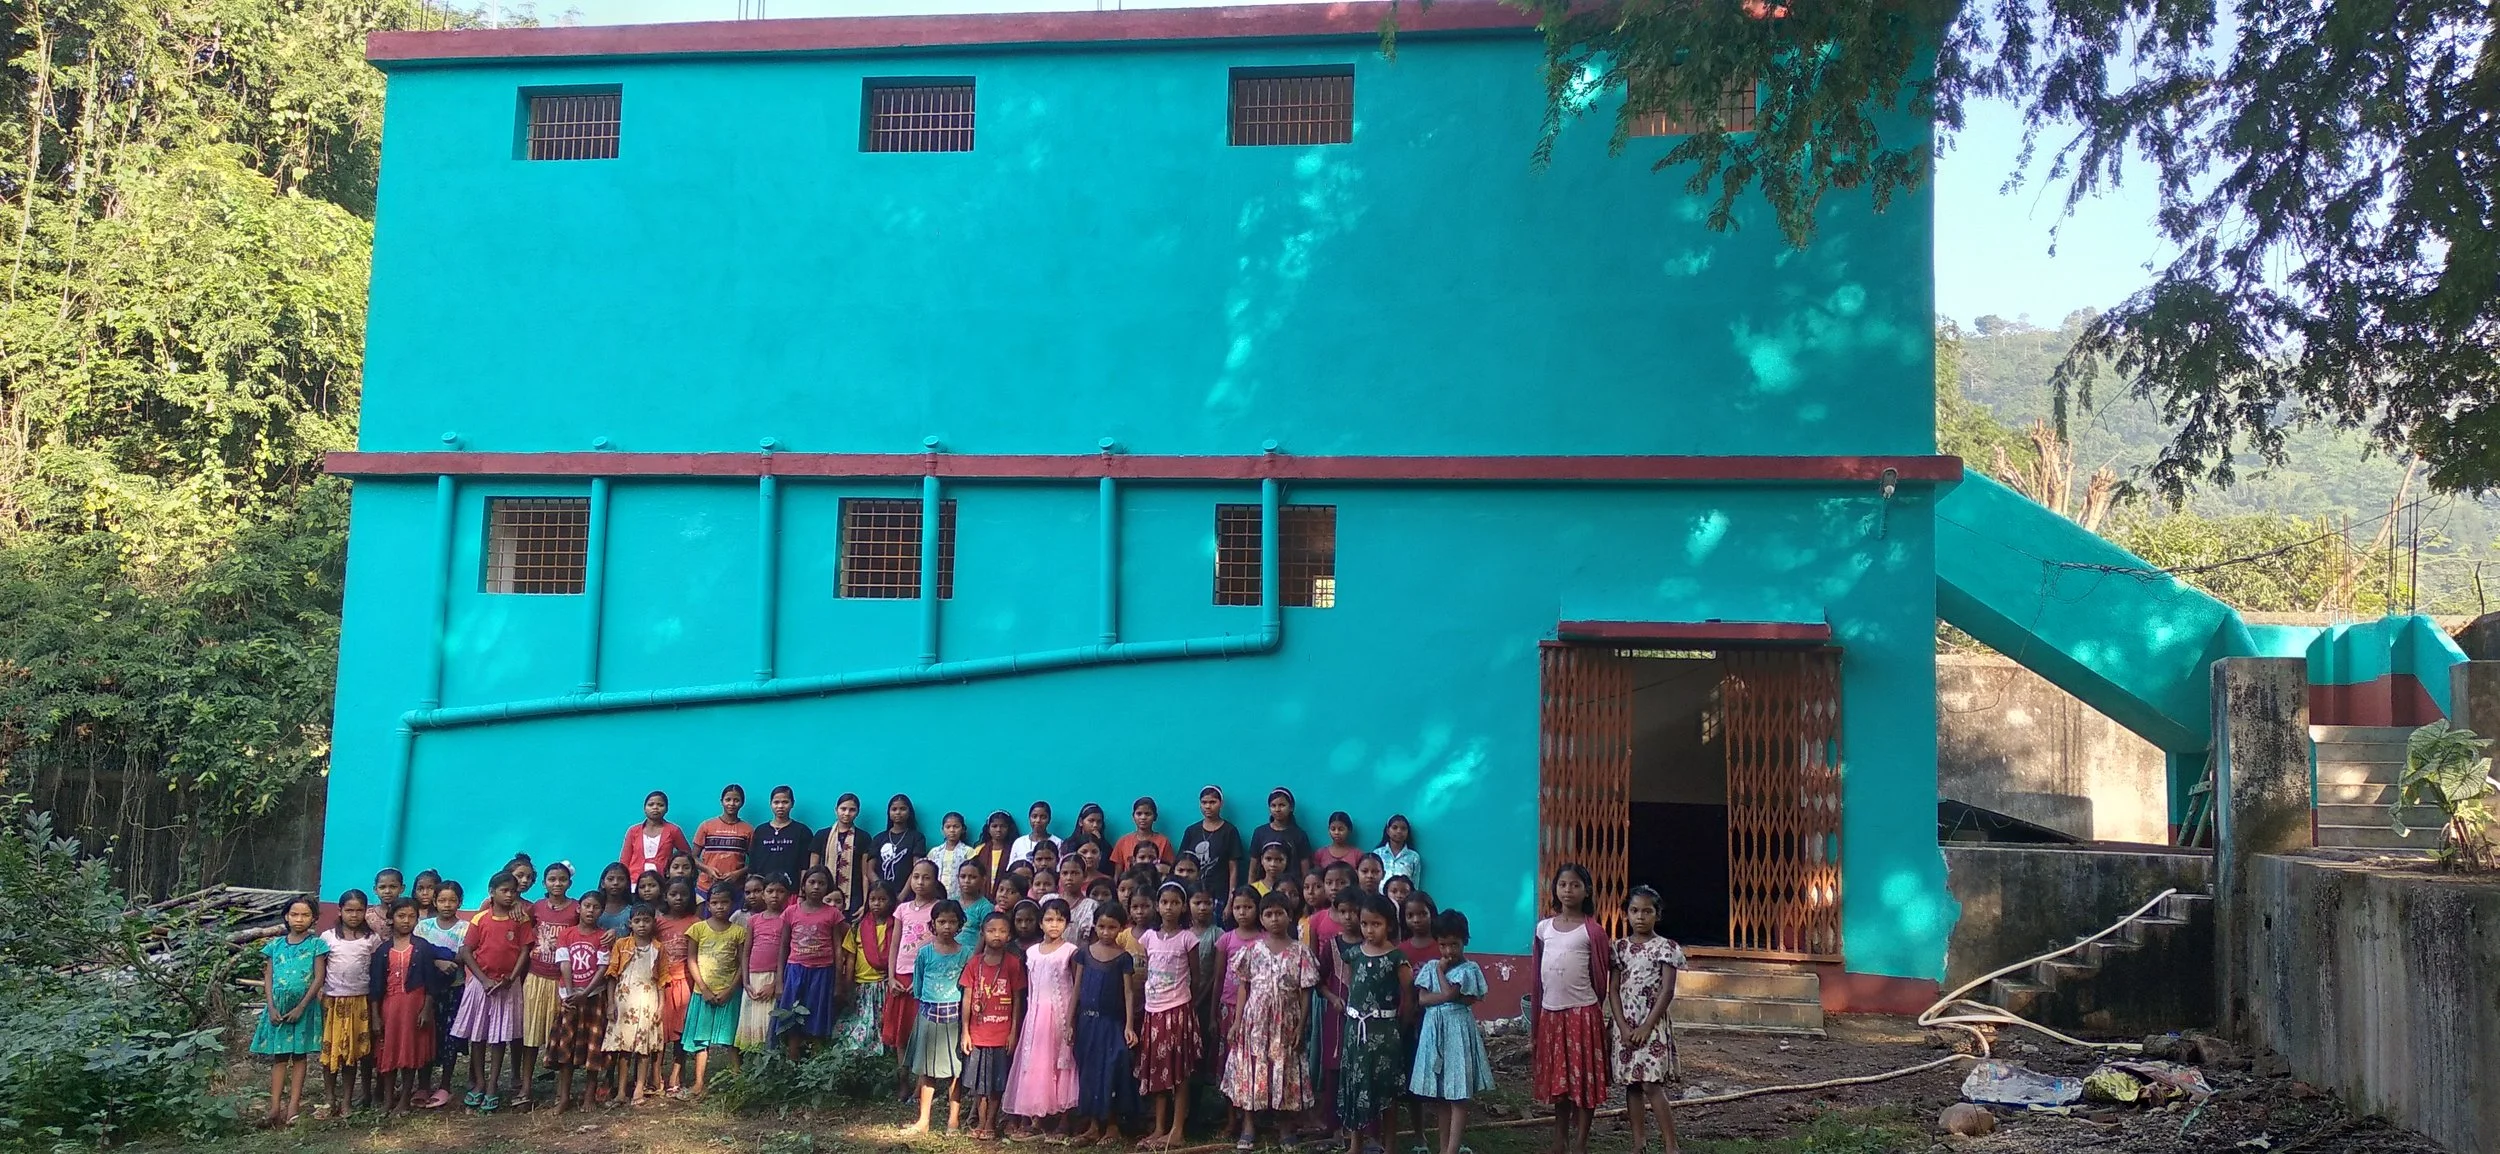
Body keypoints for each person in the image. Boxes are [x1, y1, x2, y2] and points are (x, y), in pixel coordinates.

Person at [1222, 890, 1319, 1149]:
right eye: (1268, 914)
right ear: (1261, 919)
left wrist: (1301, 1025)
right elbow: (1244, 987)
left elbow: (1306, 993)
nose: (1274, 919)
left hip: (1286, 1022)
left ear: (1290, 916)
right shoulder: (1252, 950)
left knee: (1285, 1068)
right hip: (1255, 1022)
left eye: (1280, 913)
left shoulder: (1301, 952)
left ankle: (1285, 1126)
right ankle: (1249, 1124)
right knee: (1252, 1068)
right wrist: (1237, 1021)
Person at [1532, 863, 1611, 1154]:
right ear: (1555, 889)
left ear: (1586, 890)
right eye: (1563, 884)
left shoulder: (1593, 932)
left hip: (1582, 1014)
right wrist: (1537, 1022)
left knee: (1584, 1082)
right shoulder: (1543, 929)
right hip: (1551, 1015)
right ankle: (1559, 1139)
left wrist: (1593, 1011)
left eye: (1575, 885)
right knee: (1560, 1083)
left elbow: (1600, 977)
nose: (1568, 890)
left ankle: (1580, 1142)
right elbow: (1537, 979)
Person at [1335, 893, 1413, 1154]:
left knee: (1386, 1092)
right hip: (1355, 1032)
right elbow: (1350, 986)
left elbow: (1409, 998)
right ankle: (1355, 1145)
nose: (1369, 930)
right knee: (1355, 1086)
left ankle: (1389, 1147)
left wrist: (1399, 1029)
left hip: (1384, 1033)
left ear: (1389, 925)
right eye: (1365, 924)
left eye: (1376, 924)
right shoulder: (1353, 954)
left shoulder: (1397, 959)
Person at [1409, 910, 1492, 1154]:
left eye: (1454, 945)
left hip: (1458, 1032)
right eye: (1443, 945)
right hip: (1435, 1033)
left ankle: (1452, 1149)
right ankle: (1444, 1147)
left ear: (1465, 941)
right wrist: (1439, 983)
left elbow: (1452, 995)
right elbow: (1422, 999)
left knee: (1459, 1093)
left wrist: (1439, 975)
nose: (1448, 951)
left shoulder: (1469, 970)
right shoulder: (1432, 966)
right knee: (1442, 1093)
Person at [1612, 886, 1688, 1154]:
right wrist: (1621, 1026)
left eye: (1647, 911)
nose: (1640, 917)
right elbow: (1613, 990)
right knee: (1632, 1084)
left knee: (1650, 1083)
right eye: (1634, 911)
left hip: (1651, 1025)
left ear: (1658, 914)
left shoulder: (1666, 948)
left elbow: (1667, 991)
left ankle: (1671, 1145)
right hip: (1625, 1025)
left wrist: (1646, 1026)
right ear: (1626, 914)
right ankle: (1638, 1143)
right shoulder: (1619, 948)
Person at [453, 870, 533, 1112]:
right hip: (482, 986)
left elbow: (524, 951)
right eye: (504, 891)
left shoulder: (521, 920)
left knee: (499, 1038)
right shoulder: (480, 920)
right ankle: (479, 1082)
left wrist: (511, 977)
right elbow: (467, 951)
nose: (509, 896)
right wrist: (484, 979)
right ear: (491, 893)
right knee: (478, 1037)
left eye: (513, 891)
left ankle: (493, 1086)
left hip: (507, 987)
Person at [1004, 899, 1081, 1135]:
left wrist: (1070, 1019)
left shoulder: (1071, 951)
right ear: (1041, 923)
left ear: (1067, 923)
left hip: (1060, 1013)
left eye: (1060, 920)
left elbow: (1077, 986)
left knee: (1063, 1061)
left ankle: (1064, 1119)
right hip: (1037, 1014)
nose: (1054, 925)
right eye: (1049, 919)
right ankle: (1035, 1117)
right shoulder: (1031, 952)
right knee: (1036, 1062)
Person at [1135, 881, 1202, 1149]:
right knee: (1157, 1072)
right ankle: (1159, 1127)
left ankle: (1177, 1129)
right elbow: (1145, 973)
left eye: (1175, 902)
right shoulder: (1148, 938)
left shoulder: (1188, 939)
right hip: (1154, 1012)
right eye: (1164, 902)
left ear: (1183, 906)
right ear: (1157, 906)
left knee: (1180, 1072)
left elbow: (1196, 978)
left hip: (1178, 1011)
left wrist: (1187, 1009)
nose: (1169, 907)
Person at [253, 895, 330, 1127]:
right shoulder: (274, 946)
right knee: (279, 1057)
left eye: (305, 915)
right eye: (294, 914)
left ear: (314, 918)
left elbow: (319, 978)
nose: (299, 919)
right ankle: (274, 1108)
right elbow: (267, 978)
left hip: (304, 1009)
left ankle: (293, 1107)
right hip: (277, 1008)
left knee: (299, 1056)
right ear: (286, 916)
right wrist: (271, 1006)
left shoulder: (317, 944)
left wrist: (301, 1006)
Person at [1070, 903, 1138, 1146]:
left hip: (1112, 1023)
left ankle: (1112, 1125)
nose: (1106, 932)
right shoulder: (1084, 953)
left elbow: (1128, 993)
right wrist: (1070, 1022)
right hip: (1087, 1021)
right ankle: (1092, 1126)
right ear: (1094, 926)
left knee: (1111, 1070)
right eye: (1101, 927)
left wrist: (1129, 1026)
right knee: (1089, 1071)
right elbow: (1076, 989)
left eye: (1112, 927)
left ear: (1122, 928)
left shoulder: (1123, 958)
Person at [372, 898, 446, 1116]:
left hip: (414, 1006)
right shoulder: (383, 950)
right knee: (388, 1053)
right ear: (391, 918)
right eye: (401, 916)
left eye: (411, 916)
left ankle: (405, 1098)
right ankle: (387, 1099)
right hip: (390, 1007)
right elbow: (376, 985)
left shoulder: (422, 948)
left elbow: (431, 984)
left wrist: (426, 1009)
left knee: (409, 1053)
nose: (406, 921)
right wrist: (376, 1016)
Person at [905, 900, 972, 1135]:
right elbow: (918, 985)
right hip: (929, 1016)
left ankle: (953, 1121)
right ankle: (923, 1121)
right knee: (927, 1070)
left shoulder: (966, 953)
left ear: (960, 924)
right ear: (933, 924)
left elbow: (968, 989)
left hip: (954, 1017)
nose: (946, 926)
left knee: (956, 1071)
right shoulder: (925, 953)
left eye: (952, 922)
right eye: (941, 922)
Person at [961, 911, 1027, 1141]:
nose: (996, 935)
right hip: (978, 1034)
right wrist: (965, 1032)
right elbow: (967, 998)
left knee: (998, 1082)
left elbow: (1018, 1000)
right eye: (991, 930)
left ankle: (990, 1123)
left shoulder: (1013, 964)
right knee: (979, 1084)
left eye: (1001, 931)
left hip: (1001, 1034)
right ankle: (980, 1122)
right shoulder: (974, 963)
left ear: (1009, 935)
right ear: (982, 934)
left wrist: (1013, 1032)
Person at [518, 861, 580, 1104]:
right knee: (531, 1035)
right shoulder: (537, 908)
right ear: (544, 883)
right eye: (552, 879)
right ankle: (525, 1087)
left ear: (569, 883)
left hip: (562, 981)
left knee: (563, 1036)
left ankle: (561, 1091)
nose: (557, 884)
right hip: (536, 977)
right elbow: (525, 928)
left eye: (562, 879)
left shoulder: (576, 909)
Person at [545, 891, 612, 1112]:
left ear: (601, 911)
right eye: (587, 906)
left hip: (594, 998)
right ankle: (564, 1096)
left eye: (596, 907)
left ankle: (589, 1096)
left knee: (593, 1047)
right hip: (570, 999)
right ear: (579, 908)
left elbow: (603, 968)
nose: (591, 911)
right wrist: (571, 994)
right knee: (567, 1048)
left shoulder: (602, 937)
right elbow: (564, 963)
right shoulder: (567, 934)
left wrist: (587, 992)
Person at [318, 889, 381, 1117]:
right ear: (340, 911)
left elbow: (375, 973)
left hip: (359, 1001)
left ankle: (347, 1100)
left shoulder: (371, 939)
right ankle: (329, 1097)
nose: (354, 915)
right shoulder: (327, 938)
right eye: (349, 910)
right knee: (330, 1049)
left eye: (359, 911)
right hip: (332, 1001)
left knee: (352, 1052)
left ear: (366, 912)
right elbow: (319, 970)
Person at [683, 885, 750, 1096]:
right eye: (714, 902)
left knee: (731, 1040)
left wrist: (731, 989)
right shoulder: (697, 929)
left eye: (724, 902)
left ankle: (738, 1080)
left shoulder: (739, 932)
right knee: (701, 1041)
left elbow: (742, 964)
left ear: (733, 904)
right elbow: (691, 959)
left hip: (729, 993)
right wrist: (703, 988)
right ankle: (699, 1082)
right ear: (708, 904)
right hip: (702, 993)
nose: (719, 907)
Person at [777, 866, 848, 1054]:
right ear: (804, 885)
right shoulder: (791, 912)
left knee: (817, 1017)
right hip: (795, 970)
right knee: (792, 1017)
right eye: (812, 882)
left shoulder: (833, 914)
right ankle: (793, 1061)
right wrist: (779, 981)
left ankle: (816, 1067)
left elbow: (838, 948)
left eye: (822, 883)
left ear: (828, 887)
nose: (816, 887)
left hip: (823, 972)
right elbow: (783, 947)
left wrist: (838, 983)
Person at [886, 859, 943, 1092]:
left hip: (926, 979)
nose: (920, 882)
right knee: (901, 1032)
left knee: (922, 1032)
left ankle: (923, 1083)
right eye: (916, 876)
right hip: (901, 977)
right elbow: (895, 944)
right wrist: (891, 977)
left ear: (935, 880)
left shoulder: (940, 908)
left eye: (926, 877)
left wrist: (924, 980)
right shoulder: (902, 909)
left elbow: (941, 946)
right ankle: (903, 1080)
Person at [412, 879, 469, 1109]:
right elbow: (416, 954)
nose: (447, 905)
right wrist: (437, 959)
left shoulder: (465, 928)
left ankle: (445, 1085)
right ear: (434, 901)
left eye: (452, 900)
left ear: (460, 902)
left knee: (449, 1037)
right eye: (442, 900)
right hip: (426, 992)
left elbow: (466, 955)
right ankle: (423, 1084)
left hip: (454, 990)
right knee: (424, 1034)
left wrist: (447, 959)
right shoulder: (423, 927)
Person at [602, 903, 666, 1106]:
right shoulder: (622, 945)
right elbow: (612, 975)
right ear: (630, 923)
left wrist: (661, 1005)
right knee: (624, 1047)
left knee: (644, 1047)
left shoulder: (658, 948)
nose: (642, 925)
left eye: (646, 920)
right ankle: (621, 1091)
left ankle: (639, 1087)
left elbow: (663, 978)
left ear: (653, 923)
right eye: (637, 921)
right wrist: (610, 1003)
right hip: (624, 1000)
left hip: (648, 1000)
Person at [837, 879, 899, 1056]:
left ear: (891, 901)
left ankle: (884, 1055)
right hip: (862, 984)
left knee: (882, 1022)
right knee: (861, 1022)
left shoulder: (896, 927)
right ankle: (861, 1056)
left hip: (884, 983)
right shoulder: (858, 926)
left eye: (882, 899)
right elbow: (850, 956)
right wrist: (848, 983)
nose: (877, 904)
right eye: (873, 899)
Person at [654, 878, 703, 1094]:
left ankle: (676, 1074)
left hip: (685, 983)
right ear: (665, 896)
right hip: (662, 984)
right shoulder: (658, 922)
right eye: (673, 894)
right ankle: (655, 1076)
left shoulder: (696, 922)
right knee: (659, 1032)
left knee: (681, 1033)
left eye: (683, 894)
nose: (679, 898)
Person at [738, 876, 787, 1052]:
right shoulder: (754, 920)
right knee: (752, 1021)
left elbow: (788, 955)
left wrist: (775, 984)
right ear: (763, 895)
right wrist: (745, 982)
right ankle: (752, 1066)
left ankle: (770, 1065)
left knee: (769, 1022)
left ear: (788, 895)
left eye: (780, 891)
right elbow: (746, 952)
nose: (775, 896)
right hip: (753, 979)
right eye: (770, 891)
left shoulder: (787, 919)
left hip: (775, 978)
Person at [1175, 786, 1244, 897]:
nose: (1208, 806)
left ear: (1221, 803)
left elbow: (1233, 869)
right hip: (1192, 893)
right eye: (1204, 802)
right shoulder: (1191, 831)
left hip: (1219, 893)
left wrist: (1231, 900)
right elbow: (1180, 862)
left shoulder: (1229, 831)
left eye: (1212, 802)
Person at [694, 784, 756, 908]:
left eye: (736, 800)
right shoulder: (706, 826)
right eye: (728, 800)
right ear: (721, 801)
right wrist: (708, 870)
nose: (732, 804)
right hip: (706, 887)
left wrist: (738, 874)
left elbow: (755, 862)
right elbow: (693, 857)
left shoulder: (748, 830)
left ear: (742, 803)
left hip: (735, 889)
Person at [809, 792, 870, 914]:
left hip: (853, 898)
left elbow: (865, 875)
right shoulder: (822, 835)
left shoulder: (863, 837)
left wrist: (864, 904)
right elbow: (812, 871)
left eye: (852, 810)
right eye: (843, 809)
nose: (847, 813)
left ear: (857, 812)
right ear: (836, 810)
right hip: (823, 896)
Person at [749, 786, 813, 900]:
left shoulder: (802, 831)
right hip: (763, 893)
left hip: (791, 892)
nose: (780, 806)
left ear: (792, 803)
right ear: (770, 804)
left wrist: (802, 893)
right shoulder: (760, 831)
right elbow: (753, 866)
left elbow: (805, 866)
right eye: (776, 802)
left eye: (785, 802)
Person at [619, 791, 694, 883]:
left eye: (660, 805)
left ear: (666, 809)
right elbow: (624, 861)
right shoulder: (633, 831)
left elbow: (687, 855)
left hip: (662, 881)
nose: (655, 808)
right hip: (635, 881)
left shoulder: (673, 830)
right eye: (651, 805)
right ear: (644, 809)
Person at [871, 793, 930, 895]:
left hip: (906, 895)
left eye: (902, 809)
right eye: (894, 809)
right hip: (881, 896)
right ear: (889, 812)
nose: (898, 812)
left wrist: (902, 896)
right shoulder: (879, 838)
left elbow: (917, 869)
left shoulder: (917, 837)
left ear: (909, 812)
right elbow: (869, 870)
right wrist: (881, 891)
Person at [1247, 789, 1311, 876]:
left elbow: (1305, 870)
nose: (1277, 809)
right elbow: (1253, 868)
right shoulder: (1260, 832)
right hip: (1265, 888)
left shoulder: (1299, 835)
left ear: (1291, 807)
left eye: (1282, 805)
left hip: (1290, 887)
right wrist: (1251, 888)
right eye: (1273, 806)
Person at [1110, 797, 1175, 874]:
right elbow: (1118, 874)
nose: (1143, 817)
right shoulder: (1123, 842)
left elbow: (1169, 869)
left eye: (1147, 814)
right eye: (1139, 814)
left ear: (1155, 817)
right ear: (1133, 816)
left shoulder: (1163, 842)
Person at [929, 811, 977, 899]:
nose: (952, 830)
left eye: (956, 827)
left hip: (960, 896)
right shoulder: (934, 852)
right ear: (942, 830)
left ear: (963, 829)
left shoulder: (968, 852)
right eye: (948, 827)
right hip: (936, 897)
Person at [971, 810, 1018, 889]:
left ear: (1009, 829)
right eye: (994, 826)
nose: (998, 829)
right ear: (988, 829)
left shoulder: (1013, 849)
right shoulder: (980, 850)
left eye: (1003, 826)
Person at [1374, 815, 1421, 889]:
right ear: (1388, 831)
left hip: (1403, 898)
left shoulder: (1413, 857)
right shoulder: (1377, 853)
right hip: (1379, 898)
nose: (1399, 831)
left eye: (1403, 828)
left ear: (1408, 832)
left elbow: (1415, 884)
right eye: (1394, 827)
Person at [1011, 800, 1060, 867]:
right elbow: (1011, 868)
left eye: (1043, 817)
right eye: (1034, 816)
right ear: (1029, 818)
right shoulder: (1019, 842)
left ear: (1049, 819)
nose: (1038, 820)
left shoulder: (1057, 842)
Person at [592, 864, 634, 935]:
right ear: (602, 883)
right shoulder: (592, 909)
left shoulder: (632, 911)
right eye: (610, 879)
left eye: (621, 879)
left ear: (627, 883)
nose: (615, 883)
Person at [366, 869, 407, 934]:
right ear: (375, 890)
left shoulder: (408, 914)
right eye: (382, 887)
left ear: (402, 888)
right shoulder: (367, 916)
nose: (387, 891)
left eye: (393, 887)